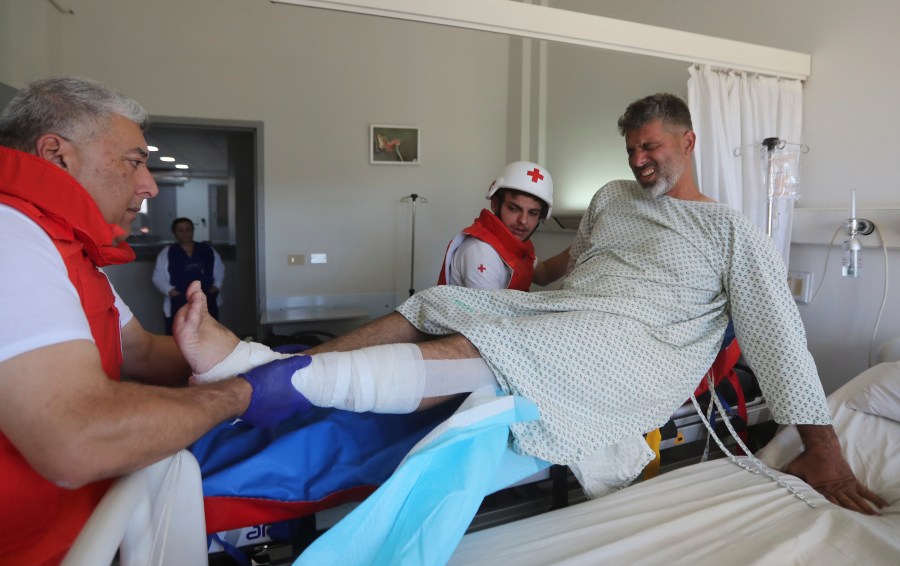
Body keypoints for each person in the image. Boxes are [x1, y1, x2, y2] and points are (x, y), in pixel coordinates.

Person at [189, 92, 886, 516]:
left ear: (687, 142)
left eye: (651, 147)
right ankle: (271, 363)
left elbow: (776, 338)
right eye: (632, 149)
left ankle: (279, 382)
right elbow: (571, 265)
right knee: (443, 301)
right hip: (571, 309)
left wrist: (820, 448)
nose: (640, 161)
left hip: (639, 340)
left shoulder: (733, 230)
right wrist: (514, 297)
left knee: (499, 343)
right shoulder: (613, 199)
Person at [0, 76, 304, 566]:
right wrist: (242, 392)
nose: (149, 186)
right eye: (134, 161)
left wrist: (260, 360)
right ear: (56, 154)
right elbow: (77, 437)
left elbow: (138, 350)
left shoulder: (70, 251)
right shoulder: (12, 237)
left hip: (68, 540)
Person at [437, 161, 568, 290]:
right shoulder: (481, 252)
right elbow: (488, 311)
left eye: (533, 213)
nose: (523, 220)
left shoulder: (513, 245)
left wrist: (581, 247)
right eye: (513, 208)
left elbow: (544, 274)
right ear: (495, 204)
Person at [153, 216, 225, 334]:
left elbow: (220, 269)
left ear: (193, 230)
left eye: (188, 229)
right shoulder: (167, 253)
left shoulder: (207, 249)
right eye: (180, 230)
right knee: (179, 336)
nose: (185, 233)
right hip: (178, 301)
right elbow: (158, 277)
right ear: (174, 233)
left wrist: (216, 287)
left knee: (208, 334)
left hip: (207, 299)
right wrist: (171, 291)